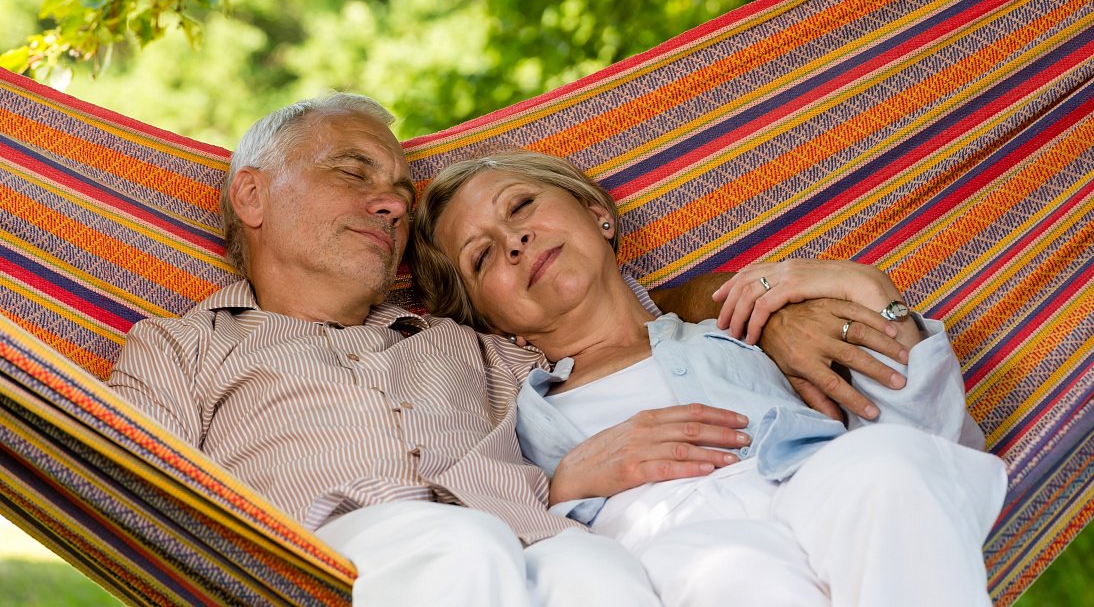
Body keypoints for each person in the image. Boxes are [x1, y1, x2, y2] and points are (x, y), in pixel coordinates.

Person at [105, 93, 912, 607]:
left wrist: (762, 310)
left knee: (601, 576)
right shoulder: (182, 345)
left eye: (397, 191)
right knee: (461, 545)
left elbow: (605, 320)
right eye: (354, 172)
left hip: (532, 540)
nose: (388, 201)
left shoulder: (472, 343)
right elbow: (130, 490)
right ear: (251, 192)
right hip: (316, 557)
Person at [410, 149, 1010, 607]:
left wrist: (868, 289)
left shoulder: (744, 331)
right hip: (674, 541)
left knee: (892, 468)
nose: (512, 241)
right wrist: (564, 486)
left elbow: (931, 443)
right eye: (481, 257)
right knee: (735, 574)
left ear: (599, 216)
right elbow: (479, 525)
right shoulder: (509, 407)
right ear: (488, 318)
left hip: (810, 483)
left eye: (521, 207)